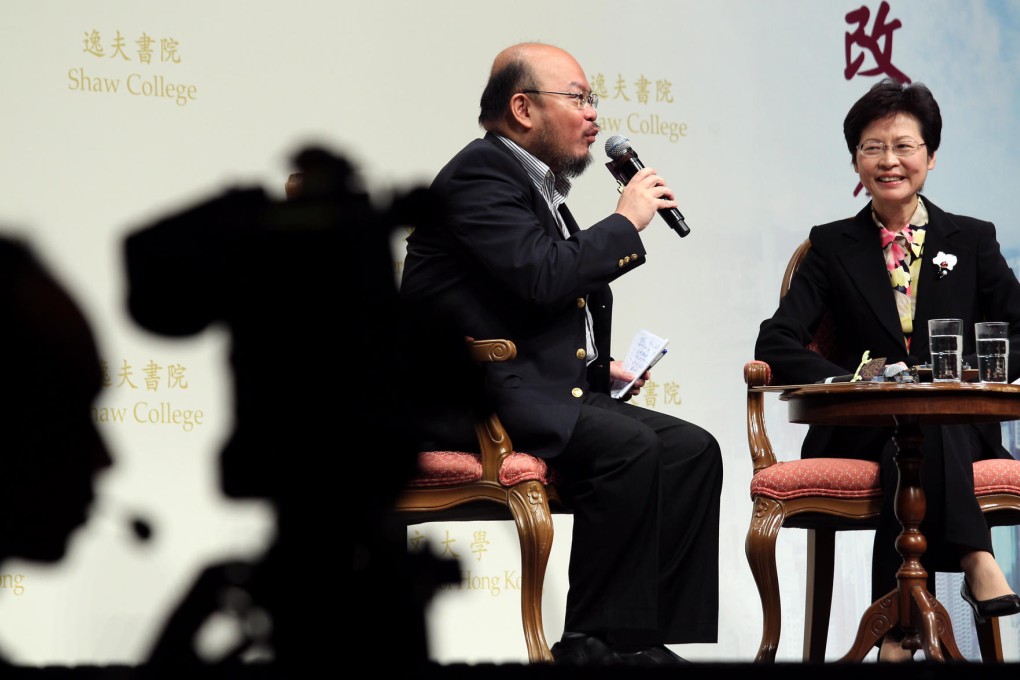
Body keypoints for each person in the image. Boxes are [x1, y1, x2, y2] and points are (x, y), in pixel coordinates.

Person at [399, 42, 722, 667]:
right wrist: (625, 222)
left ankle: (642, 641)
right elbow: (543, 277)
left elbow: (528, 306)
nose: (594, 115)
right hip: (471, 395)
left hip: (526, 384)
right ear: (522, 108)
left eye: (592, 99)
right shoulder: (479, 175)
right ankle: (591, 644)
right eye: (578, 98)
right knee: (629, 447)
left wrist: (600, 369)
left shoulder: (532, 183)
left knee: (692, 451)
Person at [755, 77, 1020, 661]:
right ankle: (977, 560)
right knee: (914, 428)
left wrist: (969, 372)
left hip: (957, 425)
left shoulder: (972, 240)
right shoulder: (832, 245)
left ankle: (896, 634)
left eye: (904, 145)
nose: (889, 160)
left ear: (931, 155)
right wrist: (858, 377)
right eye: (873, 147)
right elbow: (775, 340)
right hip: (862, 424)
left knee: (929, 421)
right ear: (856, 159)